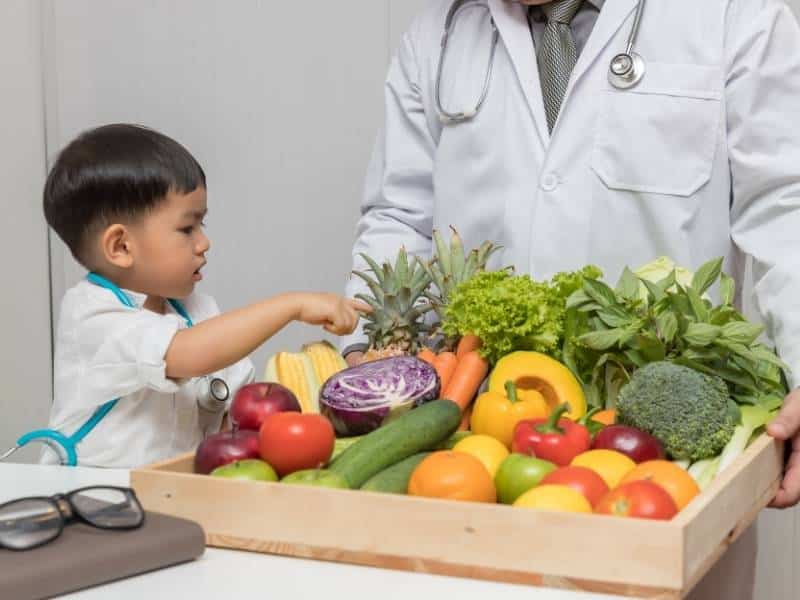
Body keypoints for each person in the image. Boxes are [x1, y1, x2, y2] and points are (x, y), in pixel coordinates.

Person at [340, 1, 800, 597]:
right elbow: (397, 216)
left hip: (666, 448)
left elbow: (786, 208)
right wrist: (369, 354)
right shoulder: (442, 31)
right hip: (481, 439)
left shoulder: (736, 16)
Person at [41, 124, 368, 468]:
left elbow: (234, 411)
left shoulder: (196, 310)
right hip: (91, 497)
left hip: (173, 491)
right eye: (187, 229)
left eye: (202, 226)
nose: (204, 243)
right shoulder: (91, 315)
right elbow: (187, 354)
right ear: (121, 246)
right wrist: (292, 304)